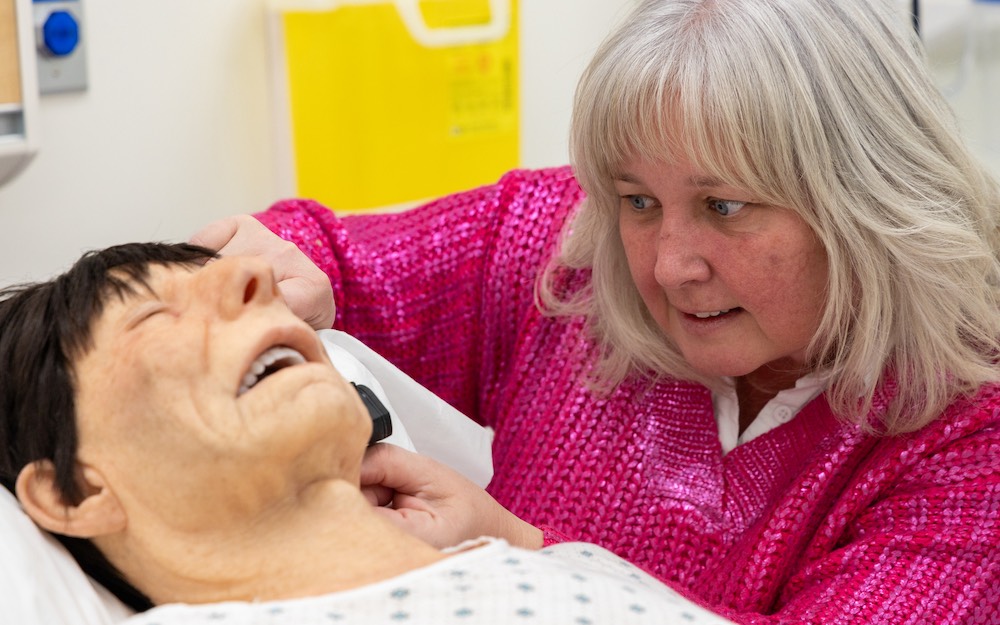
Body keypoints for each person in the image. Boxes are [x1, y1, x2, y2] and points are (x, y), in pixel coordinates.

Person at [192, 0, 1000, 622]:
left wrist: (519, 556)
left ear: (863, 202)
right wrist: (267, 270)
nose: (667, 263)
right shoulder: (566, 249)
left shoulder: (971, 426)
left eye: (724, 206)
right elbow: (330, 262)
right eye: (639, 199)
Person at [0, 242, 737, 625]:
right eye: (156, 316)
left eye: (241, 281)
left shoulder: (555, 563)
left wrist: (521, 541)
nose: (250, 280)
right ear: (74, 489)